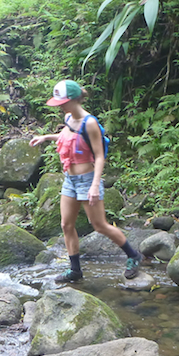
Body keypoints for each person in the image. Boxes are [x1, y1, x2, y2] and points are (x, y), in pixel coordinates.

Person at [30, 79, 142, 283]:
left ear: (72, 100)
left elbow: (99, 156)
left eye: (62, 102)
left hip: (88, 179)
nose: (60, 106)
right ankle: (75, 270)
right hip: (70, 180)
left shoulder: (89, 123)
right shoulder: (68, 118)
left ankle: (133, 255)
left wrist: (94, 186)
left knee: (99, 225)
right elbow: (67, 136)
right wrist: (46, 137)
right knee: (66, 224)